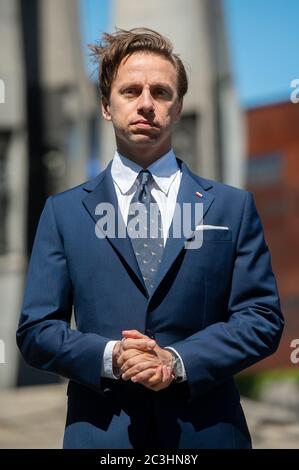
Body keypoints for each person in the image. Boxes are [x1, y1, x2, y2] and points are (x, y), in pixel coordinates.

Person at [16, 27, 284, 449]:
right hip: (102, 435)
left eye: (161, 92)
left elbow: (261, 319)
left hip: (207, 434)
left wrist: (177, 361)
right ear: (106, 106)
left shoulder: (232, 207)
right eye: (130, 91)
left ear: (178, 109)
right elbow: (36, 331)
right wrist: (112, 358)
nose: (146, 104)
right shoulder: (63, 213)